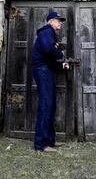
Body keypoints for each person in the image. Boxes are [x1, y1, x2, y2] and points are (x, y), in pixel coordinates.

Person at [31, 11, 69, 153]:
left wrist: (62, 64)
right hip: (42, 70)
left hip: (46, 70)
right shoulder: (47, 31)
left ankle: (49, 141)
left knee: (50, 105)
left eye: (60, 21)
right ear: (51, 21)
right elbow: (48, 49)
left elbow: (50, 58)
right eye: (58, 20)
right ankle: (40, 145)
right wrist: (61, 54)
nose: (60, 23)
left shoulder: (49, 34)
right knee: (46, 105)